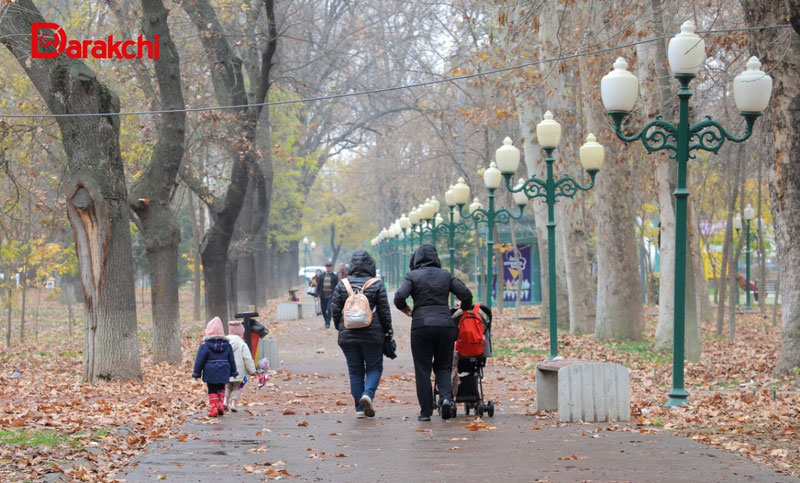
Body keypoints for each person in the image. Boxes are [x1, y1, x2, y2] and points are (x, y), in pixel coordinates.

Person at [394, 244, 472, 421]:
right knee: (443, 366)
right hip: (445, 325)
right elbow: (465, 294)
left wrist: (407, 310)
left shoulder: (412, 276)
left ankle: (425, 412)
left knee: (423, 369)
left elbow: (399, 297)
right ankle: (445, 399)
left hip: (421, 325)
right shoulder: (445, 275)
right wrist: (464, 307)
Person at [331, 250, 393, 418]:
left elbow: (335, 311)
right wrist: (388, 332)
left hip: (348, 335)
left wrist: (341, 328)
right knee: (374, 367)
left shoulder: (342, 284)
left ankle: (359, 409)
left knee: (355, 371)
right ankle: (368, 394)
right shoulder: (376, 284)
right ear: (371, 266)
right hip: (373, 335)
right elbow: (384, 312)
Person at [192, 317, 238, 417]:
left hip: (210, 372)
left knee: (212, 389)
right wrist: (234, 372)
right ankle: (220, 406)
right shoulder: (227, 345)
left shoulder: (204, 346)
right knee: (221, 387)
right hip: (224, 370)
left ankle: (213, 409)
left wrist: (196, 373)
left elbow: (199, 361)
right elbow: (231, 359)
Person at [225, 320, 257, 412]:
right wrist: (252, 371)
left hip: (227, 370)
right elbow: (247, 358)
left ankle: (225, 401)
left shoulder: (224, 343)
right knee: (237, 387)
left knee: (227, 386)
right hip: (239, 372)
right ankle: (234, 404)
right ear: (241, 333)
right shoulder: (242, 344)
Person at [315, 262, 339, 328]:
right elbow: (318, 286)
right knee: (323, 309)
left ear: (331, 268)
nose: (329, 268)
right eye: (327, 267)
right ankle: (326, 321)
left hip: (331, 296)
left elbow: (337, 286)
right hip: (323, 296)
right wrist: (316, 295)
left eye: (330, 267)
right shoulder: (321, 276)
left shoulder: (334, 276)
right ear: (326, 268)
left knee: (329, 309)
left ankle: (328, 323)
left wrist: (337, 295)